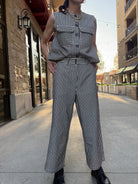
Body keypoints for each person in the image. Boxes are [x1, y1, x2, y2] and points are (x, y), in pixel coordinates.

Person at [41, 0, 111, 183]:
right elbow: (43, 41)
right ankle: (57, 170)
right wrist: (49, 59)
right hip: (63, 71)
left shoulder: (91, 20)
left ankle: (96, 168)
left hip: (87, 72)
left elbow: (93, 45)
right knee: (60, 121)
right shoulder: (55, 17)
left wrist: (94, 66)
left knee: (91, 121)